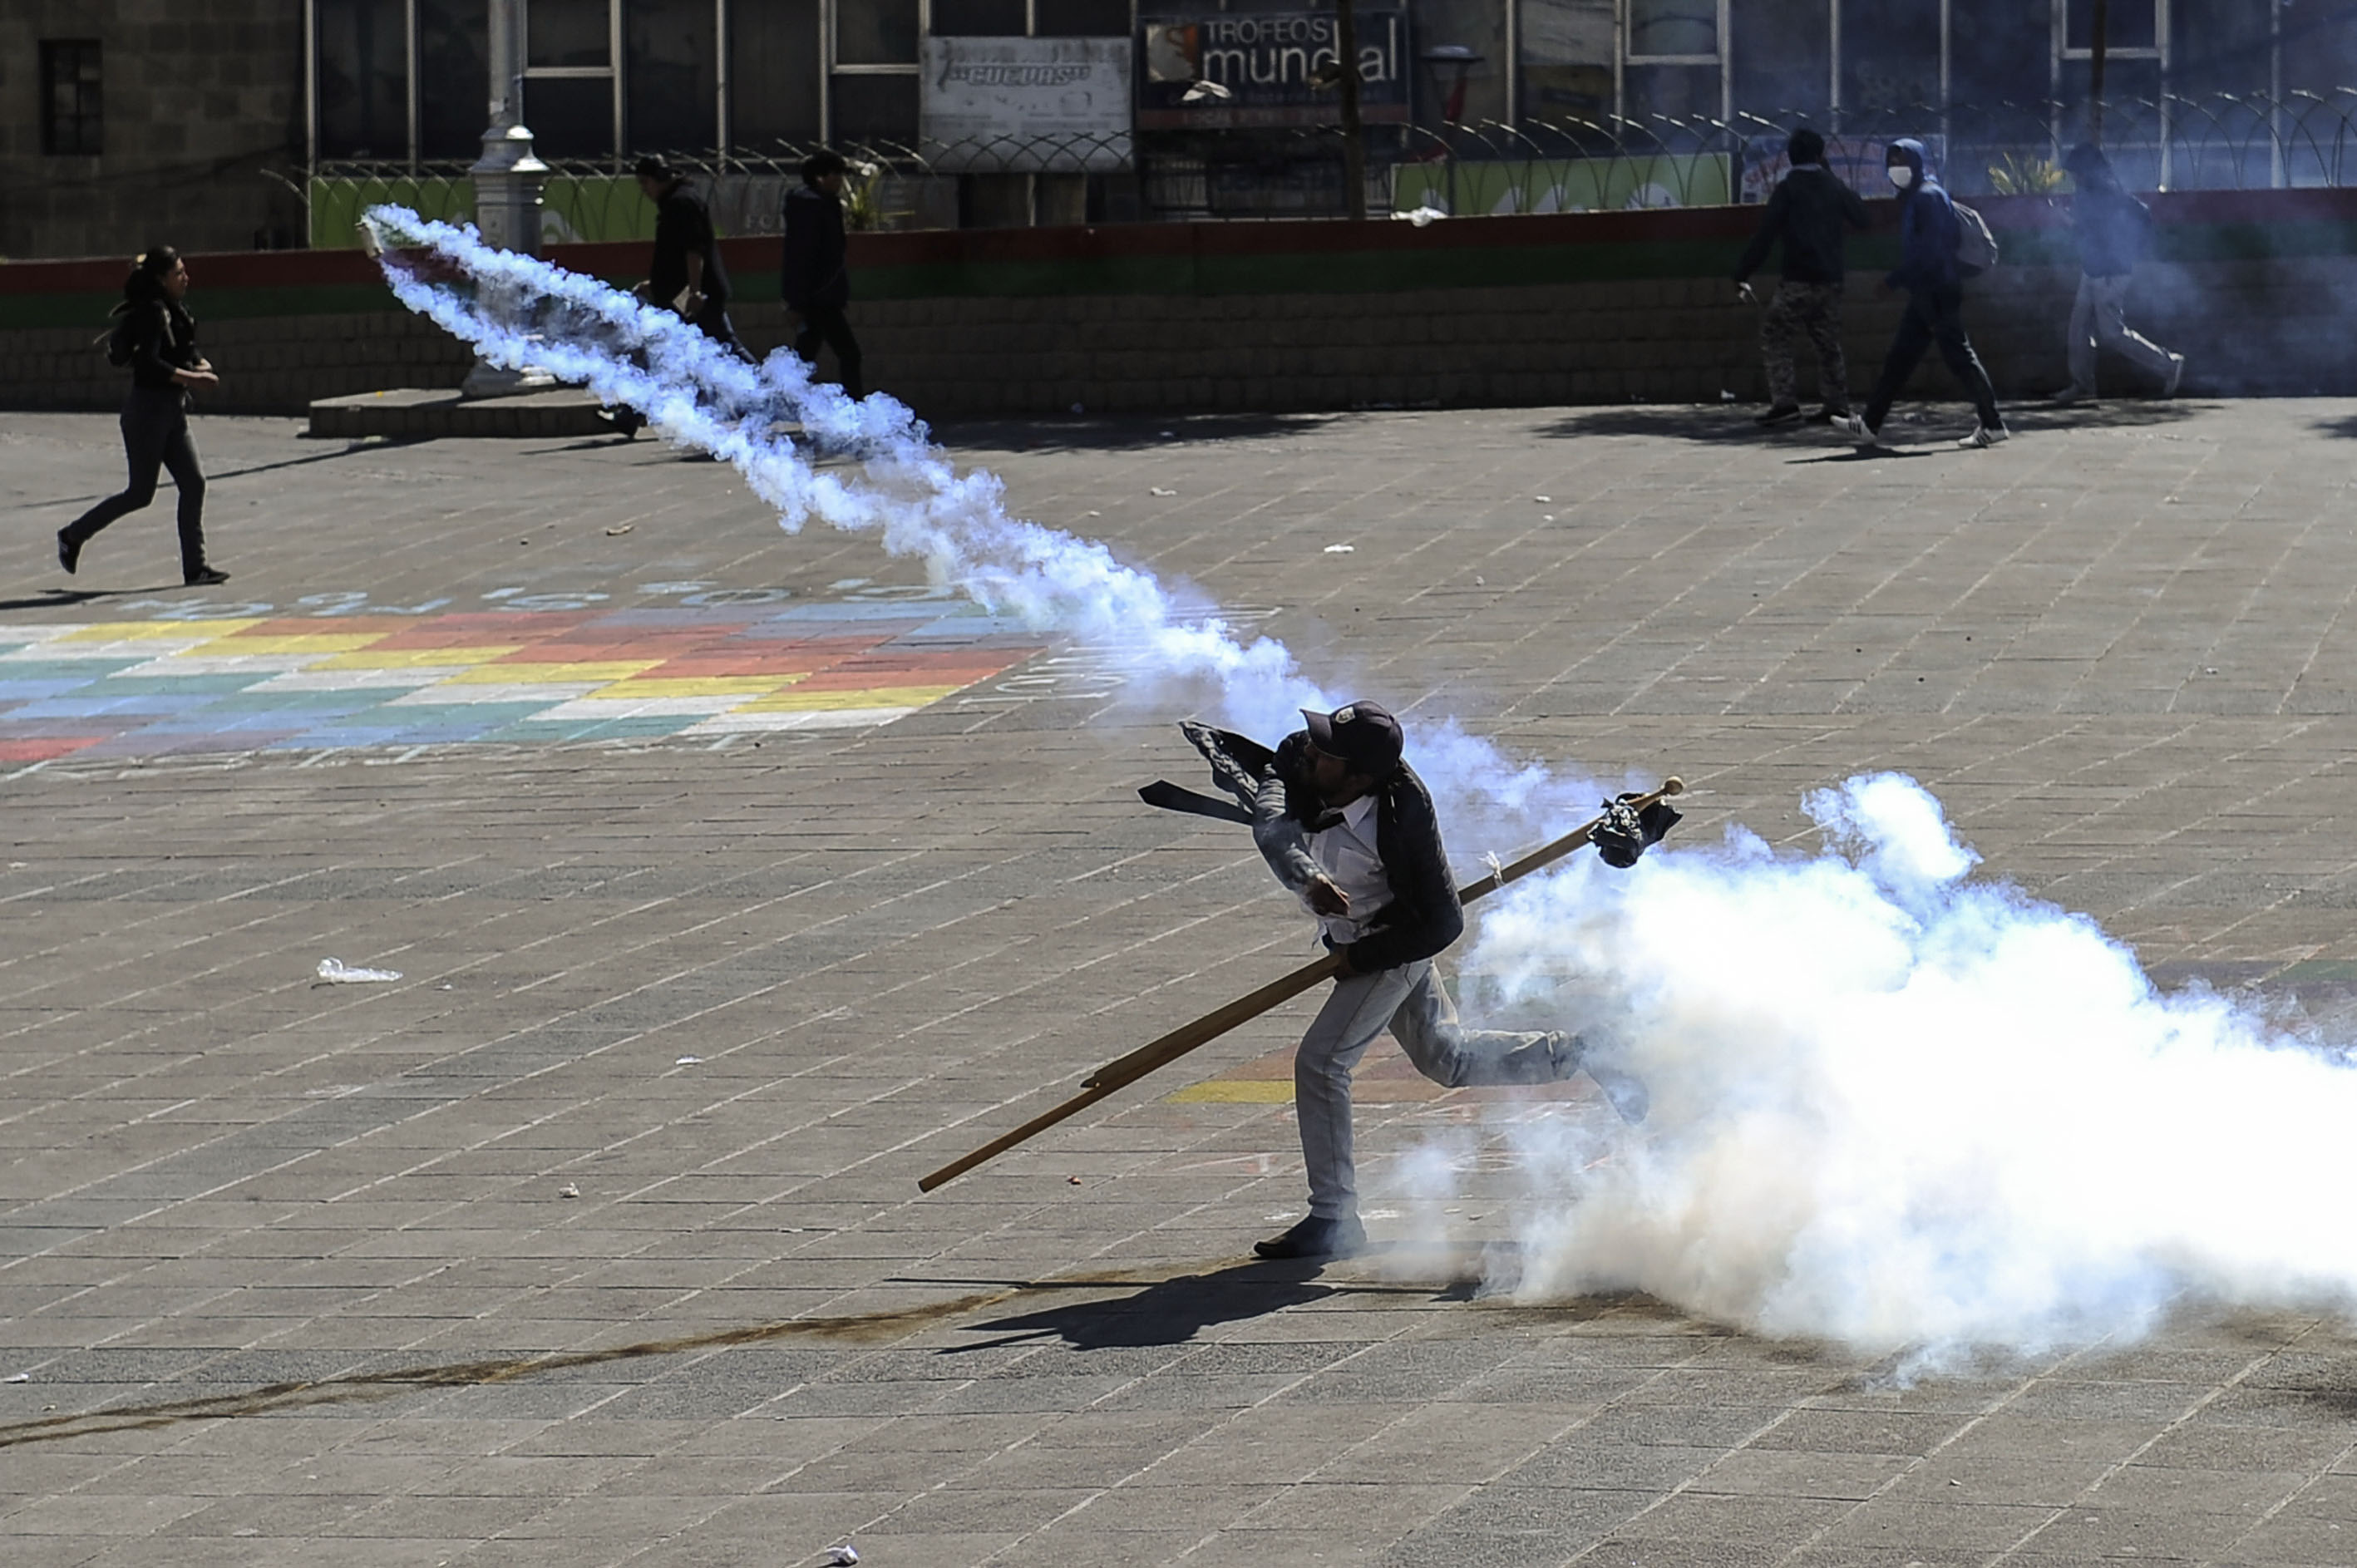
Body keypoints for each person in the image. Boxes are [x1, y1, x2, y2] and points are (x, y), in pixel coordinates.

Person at [1220, 703, 1618, 1261]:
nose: (1309, 751)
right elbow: (1270, 814)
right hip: (1356, 939)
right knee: (1445, 1058)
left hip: (1394, 942)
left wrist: (1366, 958)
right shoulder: (1300, 759)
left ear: (1359, 776)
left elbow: (1441, 923)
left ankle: (1333, 1220)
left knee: (1320, 1061)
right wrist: (1305, 876)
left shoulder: (1404, 818)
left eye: (1325, 751)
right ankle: (1586, 1053)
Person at [59, 247, 229, 586]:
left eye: (184, 271)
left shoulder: (175, 310)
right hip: (147, 413)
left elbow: (184, 348)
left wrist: (200, 363)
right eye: (178, 273)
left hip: (173, 412)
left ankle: (195, 568)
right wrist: (194, 378)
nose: (185, 278)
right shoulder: (152, 313)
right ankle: (72, 535)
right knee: (140, 493)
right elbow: (149, 364)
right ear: (161, 279)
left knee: (193, 483)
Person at [1852, 139, 2008, 451]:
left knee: (1959, 356)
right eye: (1892, 162)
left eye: (1903, 161)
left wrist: (1894, 281)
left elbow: (1931, 251)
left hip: (1936, 288)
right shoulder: (1916, 197)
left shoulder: (1928, 198)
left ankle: (1993, 423)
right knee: (1900, 359)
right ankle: (1870, 424)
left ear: (1918, 162)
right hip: (1926, 289)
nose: (1897, 168)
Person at [1733, 126, 1871, 428]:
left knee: (1775, 333)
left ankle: (1785, 405)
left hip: (1798, 279)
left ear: (1790, 157)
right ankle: (1836, 406)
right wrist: (1832, 177)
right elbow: (1863, 217)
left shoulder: (1788, 189)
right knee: (1827, 342)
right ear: (1821, 155)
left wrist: (1742, 272)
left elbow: (1765, 236)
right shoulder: (1833, 186)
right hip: (1831, 280)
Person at [608, 157, 740, 437]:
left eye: (646, 182)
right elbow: (674, 259)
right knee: (669, 355)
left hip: (693, 299)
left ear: (660, 177)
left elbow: (694, 251)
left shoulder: (681, 203)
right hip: (682, 296)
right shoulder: (676, 202)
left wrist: (694, 291)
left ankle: (769, 399)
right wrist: (655, 284)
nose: (644, 190)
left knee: (724, 350)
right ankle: (630, 415)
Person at [2054, 143, 2183, 403]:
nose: (2073, 177)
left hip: (2109, 273)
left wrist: (2064, 219)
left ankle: (2168, 364)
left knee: (2111, 332)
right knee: (2078, 330)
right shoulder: (2098, 190)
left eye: (2076, 172)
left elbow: (2092, 231)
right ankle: (2083, 385)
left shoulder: (2102, 192)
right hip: (2094, 269)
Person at [782, 150, 864, 401]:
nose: (840, 180)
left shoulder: (824, 204)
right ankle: (856, 407)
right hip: (818, 298)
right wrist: (797, 302)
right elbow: (802, 257)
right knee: (849, 353)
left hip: (821, 296)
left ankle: (775, 401)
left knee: (804, 357)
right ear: (819, 177)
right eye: (835, 174)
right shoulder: (812, 208)